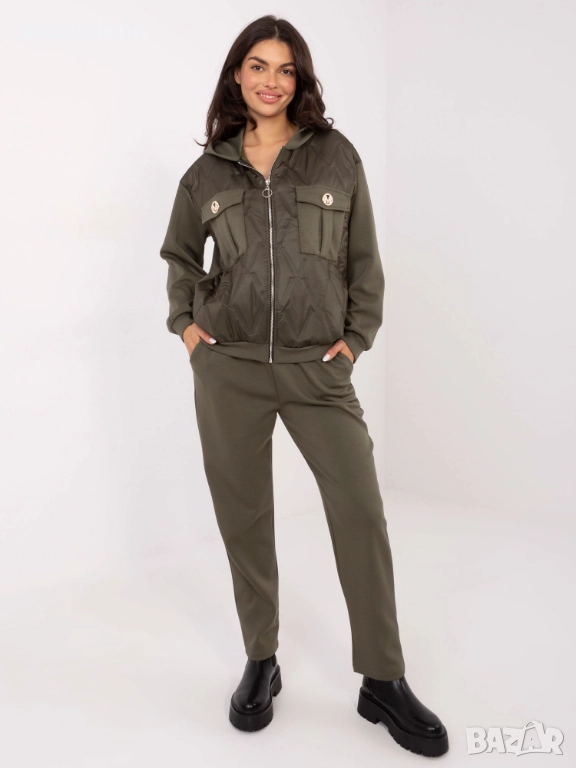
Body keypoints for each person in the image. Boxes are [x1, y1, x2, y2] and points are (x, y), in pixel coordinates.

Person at [159, 14, 448, 757]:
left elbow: (364, 261)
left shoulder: (334, 158)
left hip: (317, 368)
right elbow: (181, 259)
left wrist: (355, 339)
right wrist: (188, 327)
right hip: (229, 369)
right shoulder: (207, 174)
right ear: (237, 74)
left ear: (300, 79)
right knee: (245, 517)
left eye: (285, 69)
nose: (271, 81)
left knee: (360, 512)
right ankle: (262, 659)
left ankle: (382, 678)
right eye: (258, 66)